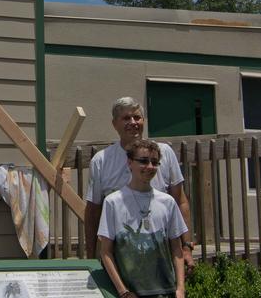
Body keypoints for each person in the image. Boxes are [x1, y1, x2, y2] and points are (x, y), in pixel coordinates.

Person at [84, 97, 195, 270]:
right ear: (114, 124)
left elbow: (180, 201)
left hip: (162, 251)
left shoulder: (164, 153)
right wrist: (90, 258)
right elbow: (92, 212)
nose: (133, 122)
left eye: (137, 117)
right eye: (126, 118)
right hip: (118, 256)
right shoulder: (102, 161)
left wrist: (186, 247)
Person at [98, 139, 187, 298]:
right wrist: (123, 291)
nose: (150, 167)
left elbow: (176, 249)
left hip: (165, 292)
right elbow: (106, 252)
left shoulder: (167, 202)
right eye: (144, 161)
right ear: (130, 163)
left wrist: (180, 289)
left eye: (154, 162)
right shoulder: (112, 203)